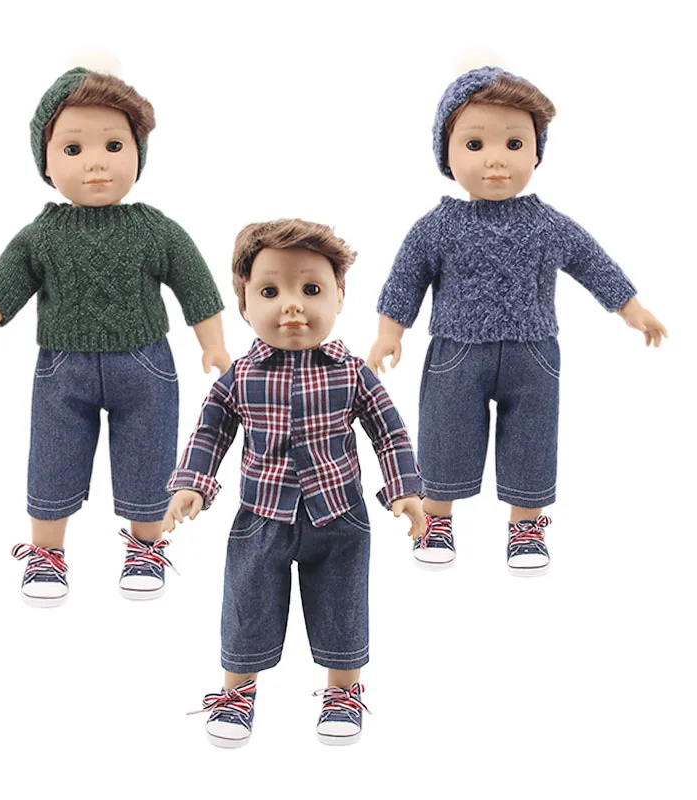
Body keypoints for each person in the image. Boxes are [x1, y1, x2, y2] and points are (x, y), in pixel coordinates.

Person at [0, 66, 230, 606]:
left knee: (149, 455)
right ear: (46, 163)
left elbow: (195, 283)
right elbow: (5, 283)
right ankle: (47, 553)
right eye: (73, 149)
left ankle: (147, 546)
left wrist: (212, 343)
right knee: (52, 455)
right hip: (62, 369)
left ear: (138, 154)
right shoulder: (41, 235)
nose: (96, 162)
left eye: (114, 146)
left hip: (145, 365)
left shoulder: (155, 229)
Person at [368, 66, 667, 576]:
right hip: (456, 353)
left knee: (533, 438)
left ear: (535, 153)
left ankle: (526, 527)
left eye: (513, 143)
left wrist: (630, 307)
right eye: (475, 144)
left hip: (534, 354)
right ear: (447, 155)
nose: (496, 159)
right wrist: (389, 331)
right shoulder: (438, 226)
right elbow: (406, 277)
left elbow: (591, 261)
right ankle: (436, 517)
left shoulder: (548, 224)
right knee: (445, 434)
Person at [164, 219, 425, 747]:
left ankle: (343, 692)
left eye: (311, 289)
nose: (292, 306)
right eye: (270, 292)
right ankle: (237, 693)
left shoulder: (351, 372)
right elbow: (211, 430)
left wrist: (404, 488)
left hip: (339, 516)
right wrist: (193, 483)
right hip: (262, 515)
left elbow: (388, 430)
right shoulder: (241, 376)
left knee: (343, 605)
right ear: (243, 305)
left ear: (339, 297)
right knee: (247, 604)